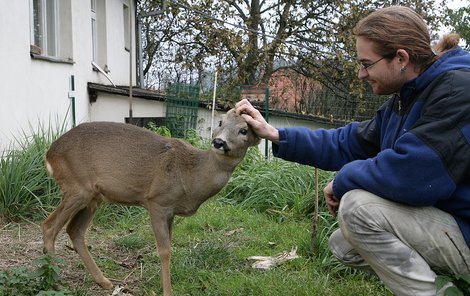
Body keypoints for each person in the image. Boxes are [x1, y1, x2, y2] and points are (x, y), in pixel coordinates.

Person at [235, 5, 470, 296]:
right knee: (344, 245)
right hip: (453, 223)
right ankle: (447, 288)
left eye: (367, 64)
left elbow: (413, 174)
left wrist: (343, 181)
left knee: (358, 210)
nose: (360, 74)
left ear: (401, 58)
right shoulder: (407, 97)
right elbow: (347, 142)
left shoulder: (457, 90)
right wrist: (276, 134)